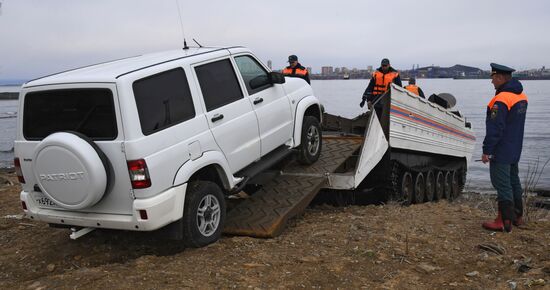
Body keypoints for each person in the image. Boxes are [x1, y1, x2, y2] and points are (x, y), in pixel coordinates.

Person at [481, 63, 528, 233]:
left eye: (493, 78)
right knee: (514, 181)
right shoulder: (521, 96)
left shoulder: (500, 100)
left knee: (502, 184)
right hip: (515, 147)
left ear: (500, 78)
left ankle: (503, 221)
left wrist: (487, 150)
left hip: (501, 149)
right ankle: (517, 217)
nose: (492, 82)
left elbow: (495, 128)